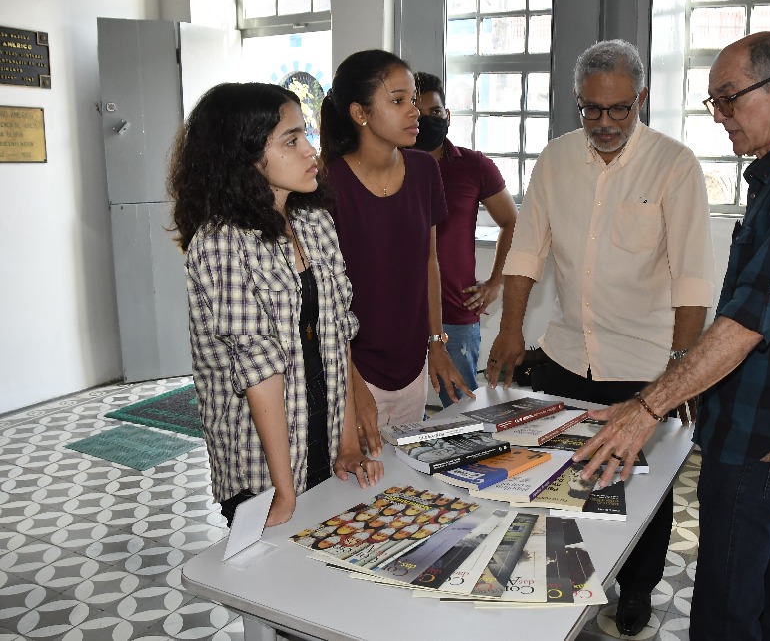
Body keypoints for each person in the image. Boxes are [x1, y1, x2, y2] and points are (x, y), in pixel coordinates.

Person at [575, 31, 770, 641]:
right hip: (757, 426)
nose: (721, 117)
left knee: (725, 607)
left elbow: (750, 318)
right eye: (714, 102)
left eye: (730, 99)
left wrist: (647, 405)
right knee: (766, 584)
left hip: (762, 435)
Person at [485, 39, 716, 636]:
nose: (605, 123)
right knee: (564, 477)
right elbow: (528, 250)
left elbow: (691, 276)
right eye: (592, 110)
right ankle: (569, 578)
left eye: (619, 110)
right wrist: (511, 329)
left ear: (641, 98)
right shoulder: (556, 160)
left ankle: (636, 589)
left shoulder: (675, 164)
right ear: (576, 103)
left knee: (643, 490)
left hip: (645, 369)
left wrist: (681, 369)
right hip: (567, 357)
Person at [169, 82, 384, 528]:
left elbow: (336, 336)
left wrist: (346, 444)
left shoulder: (313, 222)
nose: (311, 152)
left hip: (323, 448)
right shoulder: (221, 243)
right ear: (243, 155)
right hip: (262, 471)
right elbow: (259, 374)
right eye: (292, 140)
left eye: (306, 135)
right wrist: (284, 492)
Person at [319, 50, 474, 428]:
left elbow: (428, 261)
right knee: (356, 478)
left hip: (412, 362)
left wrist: (436, 343)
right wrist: (351, 381)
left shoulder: (423, 170)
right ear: (360, 114)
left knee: (400, 475)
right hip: (352, 367)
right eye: (398, 100)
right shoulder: (327, 185)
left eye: (413, 98)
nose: (415, 111)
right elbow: (325, 300)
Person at [412, 71, 518, 407]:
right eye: (418, 113)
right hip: (401, 314)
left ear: (447, 116)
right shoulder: (390, 167)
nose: (428, 120)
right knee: (397, 413)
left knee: (462, 409)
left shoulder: (473, 166)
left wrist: (496, 282)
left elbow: (512, 221)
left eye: (435, 112)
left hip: (453, 315)